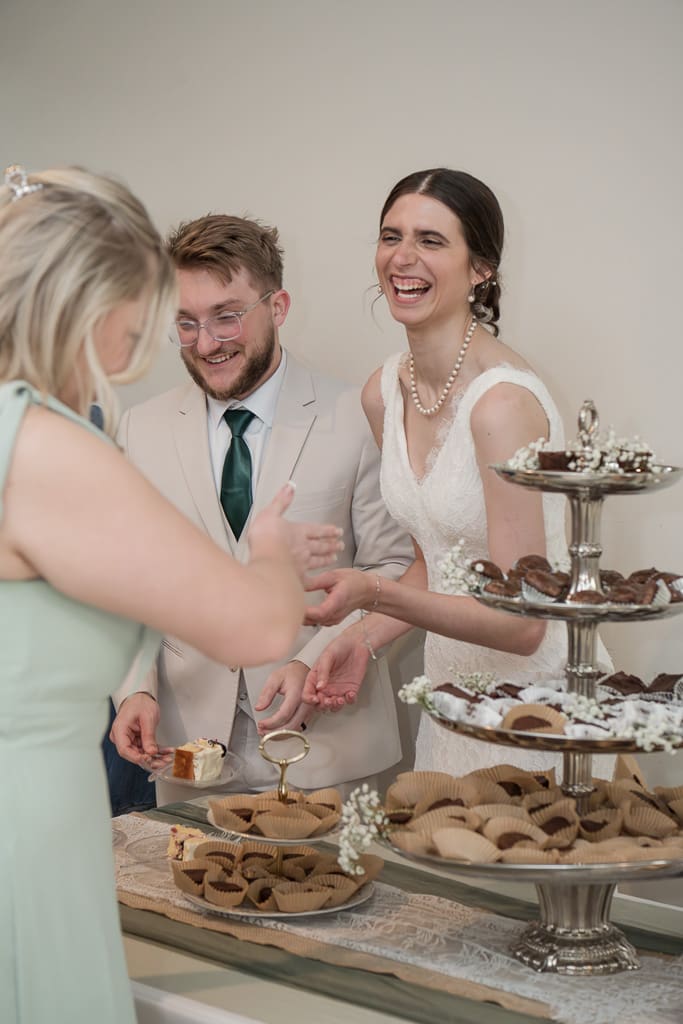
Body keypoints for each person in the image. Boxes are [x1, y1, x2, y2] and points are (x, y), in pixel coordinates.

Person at [0, 164, 342, 1024]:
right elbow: (256, 621)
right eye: (154, 311)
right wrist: (268, 548)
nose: (160, 340)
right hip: (24, 826)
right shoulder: (46, 446)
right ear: (94, 301)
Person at [109, 213, 416, 803]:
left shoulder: (359, 415)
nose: (206, 342)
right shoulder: (139, 428)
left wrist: (320, 659)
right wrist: (135, 690)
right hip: (186, 755)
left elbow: (395, 570)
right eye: (186, 323)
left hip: (331, 751)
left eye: (227, 316)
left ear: (277, 307)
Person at [303, 167, 595, 777]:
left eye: (431, 241)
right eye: (391, 236)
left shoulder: (503, 406)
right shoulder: (383, 393)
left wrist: (372, 592)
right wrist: (356, 643)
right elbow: (432, 565)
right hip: (452, 697)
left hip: (536, 711)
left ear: (481, 268)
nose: (402, 259)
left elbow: (523, 627)